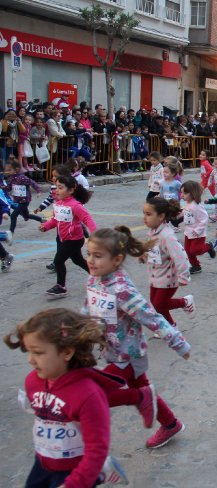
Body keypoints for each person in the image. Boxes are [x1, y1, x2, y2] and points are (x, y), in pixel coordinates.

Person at [83, 227, 192, 449]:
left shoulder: (121, 289)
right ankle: (170, 424)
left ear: (117, 260)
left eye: (98, 255)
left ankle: (89, 446)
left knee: (94, 393)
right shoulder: (94, 280)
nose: (91, 260)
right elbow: (88, 307)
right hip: (111, 350)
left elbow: (150, 316)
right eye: (89, 254)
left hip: (128, 354)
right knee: (142, 386)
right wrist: (77, 332)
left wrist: (178, 343)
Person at [4, 309, 129, 487]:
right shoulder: (32, 381)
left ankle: (98, 474)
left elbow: (96, 449)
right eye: (28, 352)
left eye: (38, 352)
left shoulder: (89, 395)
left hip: (76, 467)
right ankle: (101, 473)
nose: (30, 360)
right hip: (43, 460)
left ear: (67, 352)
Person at [39, 174, 96, 297]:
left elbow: (87, 219)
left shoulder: (75, 205)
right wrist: (46, 226)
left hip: (74, 239)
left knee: (58, 261)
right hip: (64, 238)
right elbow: (55, 220)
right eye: (56, 187)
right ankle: (97, 275)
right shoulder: (58, 204)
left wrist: (95, 233)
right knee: (78, 260)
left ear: (70, 190)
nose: (57, 190)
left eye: (60, 188)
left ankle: (61, 286)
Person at [142, 197, 195, 324]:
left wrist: (183, 276)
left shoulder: (167, 235)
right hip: (156, 275)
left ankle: (184, 302)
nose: (144, 217)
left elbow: (180, 256)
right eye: (144, 213)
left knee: (159, 304)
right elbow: (155, 250)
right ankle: (170, 326)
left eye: (148, 214)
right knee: (156, 303)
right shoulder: (152, 231)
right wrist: (144, 254)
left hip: (168, 277)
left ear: (161, 216)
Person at [181, 181, 216, 274]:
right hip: (188, 232)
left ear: (192, 193)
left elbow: (204, 218)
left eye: (184, 193)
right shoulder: (187, 203)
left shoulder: (196, 206)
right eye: (181, 192)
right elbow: (185, 212)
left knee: (195, 250)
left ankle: (208, 246)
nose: (182, 195)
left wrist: (198, 230)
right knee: (188, 251)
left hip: (198, 234)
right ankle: (196, 266)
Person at [3, 161, 43, 233]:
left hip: (24, 200)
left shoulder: (22, 178)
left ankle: (11, 232)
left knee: (13, 215)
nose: (8, 172)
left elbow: (32, 183)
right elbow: (8, 188)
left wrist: (39, 191)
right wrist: (2, 187)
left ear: (16, 169)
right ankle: (41, 219)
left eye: (10, 170)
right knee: (26, 216)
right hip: (19, 200)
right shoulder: (12, 178)